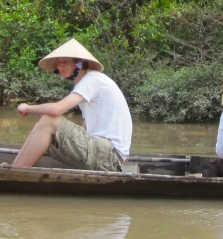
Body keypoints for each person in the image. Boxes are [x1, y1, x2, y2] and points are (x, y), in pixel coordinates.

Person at [12, 38, 133, 172]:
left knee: (48, 120)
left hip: (110, 156)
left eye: (65, 61)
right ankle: (13, 169)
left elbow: (56, 110)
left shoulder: (92, 79)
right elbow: (86, 126)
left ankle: (15, 172)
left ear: (80, 63)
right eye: (58, 62)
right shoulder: (85, 83)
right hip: (103, 154)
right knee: (44, 133)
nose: (60, 66)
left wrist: (28, 107)